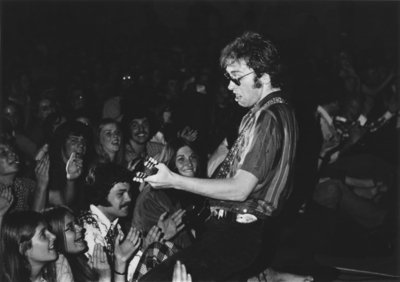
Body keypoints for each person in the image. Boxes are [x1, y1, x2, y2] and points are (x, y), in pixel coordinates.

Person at [141, 31, 306, 281]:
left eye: (236, 78)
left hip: (238, 233)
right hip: (236, 232)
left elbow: (241, 190)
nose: (229, 85)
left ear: (263, 75)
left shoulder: (269, 117)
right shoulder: (274, 111)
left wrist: (173, 179)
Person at [80, 163, 178, 281]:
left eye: (129, 192)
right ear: (100, 194)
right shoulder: (88, 233)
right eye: (121, 194)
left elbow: (125, 270)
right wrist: (146, 250)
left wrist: (147, 246)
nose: (129, 198)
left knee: (163, 248)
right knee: (158, 250)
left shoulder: (112, 225)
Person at [43, 205, 141, 282]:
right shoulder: (58, 272)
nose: (80, 228)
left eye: (76, 223)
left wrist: (120, 262)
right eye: (70, 227)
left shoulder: (83, 263)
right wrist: (104, 278)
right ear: (55, 235)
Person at [0, 210, 58, 282]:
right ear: (23, 248)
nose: (53, 236)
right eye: (43, 234)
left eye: (49, 230)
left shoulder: (58, 267)